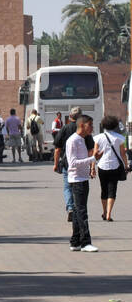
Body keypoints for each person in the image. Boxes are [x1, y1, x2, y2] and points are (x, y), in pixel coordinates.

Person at [66, 114, 102, 252]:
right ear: (82, 125)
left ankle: (75, 242)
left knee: (76, 211)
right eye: (90, 125)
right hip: (76, 180)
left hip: (82, 178)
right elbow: (73, 163)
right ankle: (86, 242)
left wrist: (92, 161)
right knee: (82, 211)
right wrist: (92, 159)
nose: (92, 128)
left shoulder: (82, 139)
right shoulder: (73, 141)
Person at [54, 107, 90, 223]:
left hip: (67, 163)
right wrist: (91, 165)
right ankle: (77, 209)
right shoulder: (85, 129)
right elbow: (91, 149)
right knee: (80, 189)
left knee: (67, 187)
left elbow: (57, 149)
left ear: (70, 116)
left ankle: (70, 208)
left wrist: (55, 164)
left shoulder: (65, 128)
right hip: (82, 166)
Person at [96, 114, 128, 223]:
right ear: (114, 125)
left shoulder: (98, 137)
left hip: (102, 166)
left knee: (103, 189)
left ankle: (104, 212)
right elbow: (123, 154)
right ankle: (109, 213)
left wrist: (91, 168)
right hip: (115, 166)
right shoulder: (119, 138)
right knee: (112, 190)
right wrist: (126, 165)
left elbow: (95, 154)